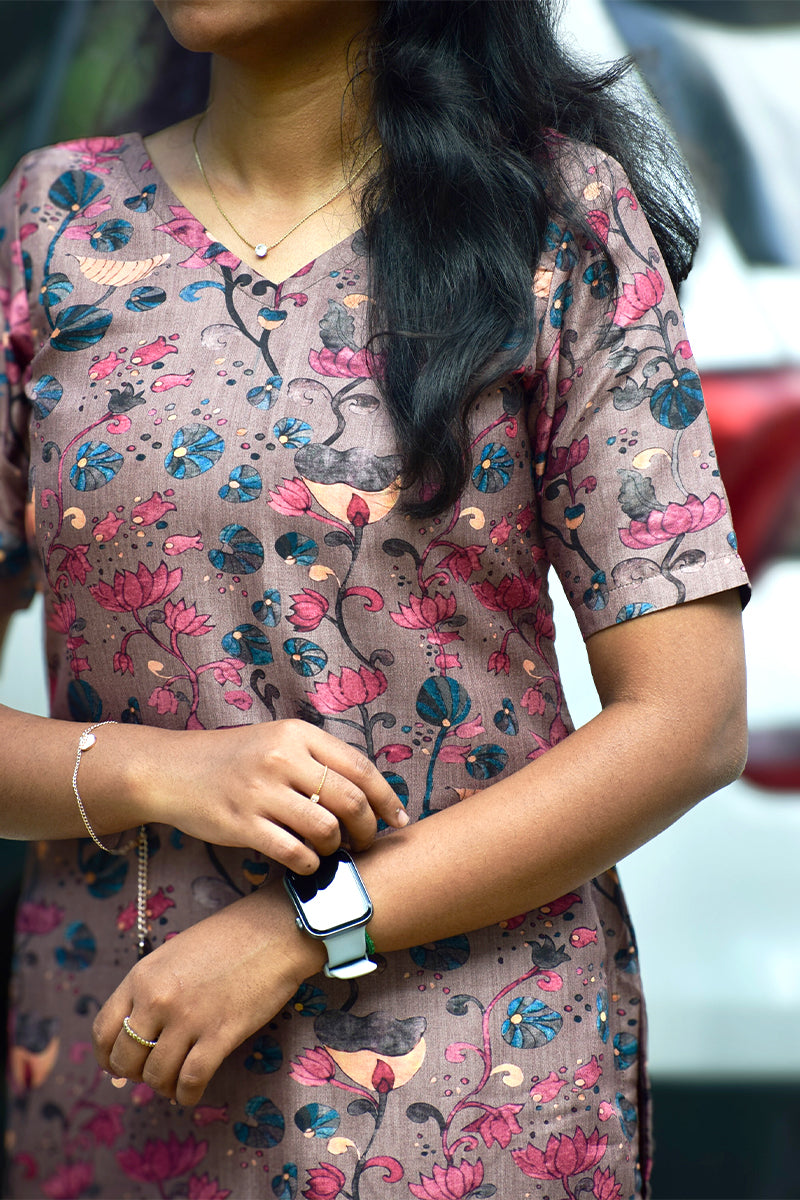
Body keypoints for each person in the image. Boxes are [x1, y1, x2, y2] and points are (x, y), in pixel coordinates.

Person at [0, 2, 748, 1197]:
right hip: (134, 1052)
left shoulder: (553, 218)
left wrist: (307, 928)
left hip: (472, 1078)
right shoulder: (55, 220)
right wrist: (152, 768)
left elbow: (688, 718)